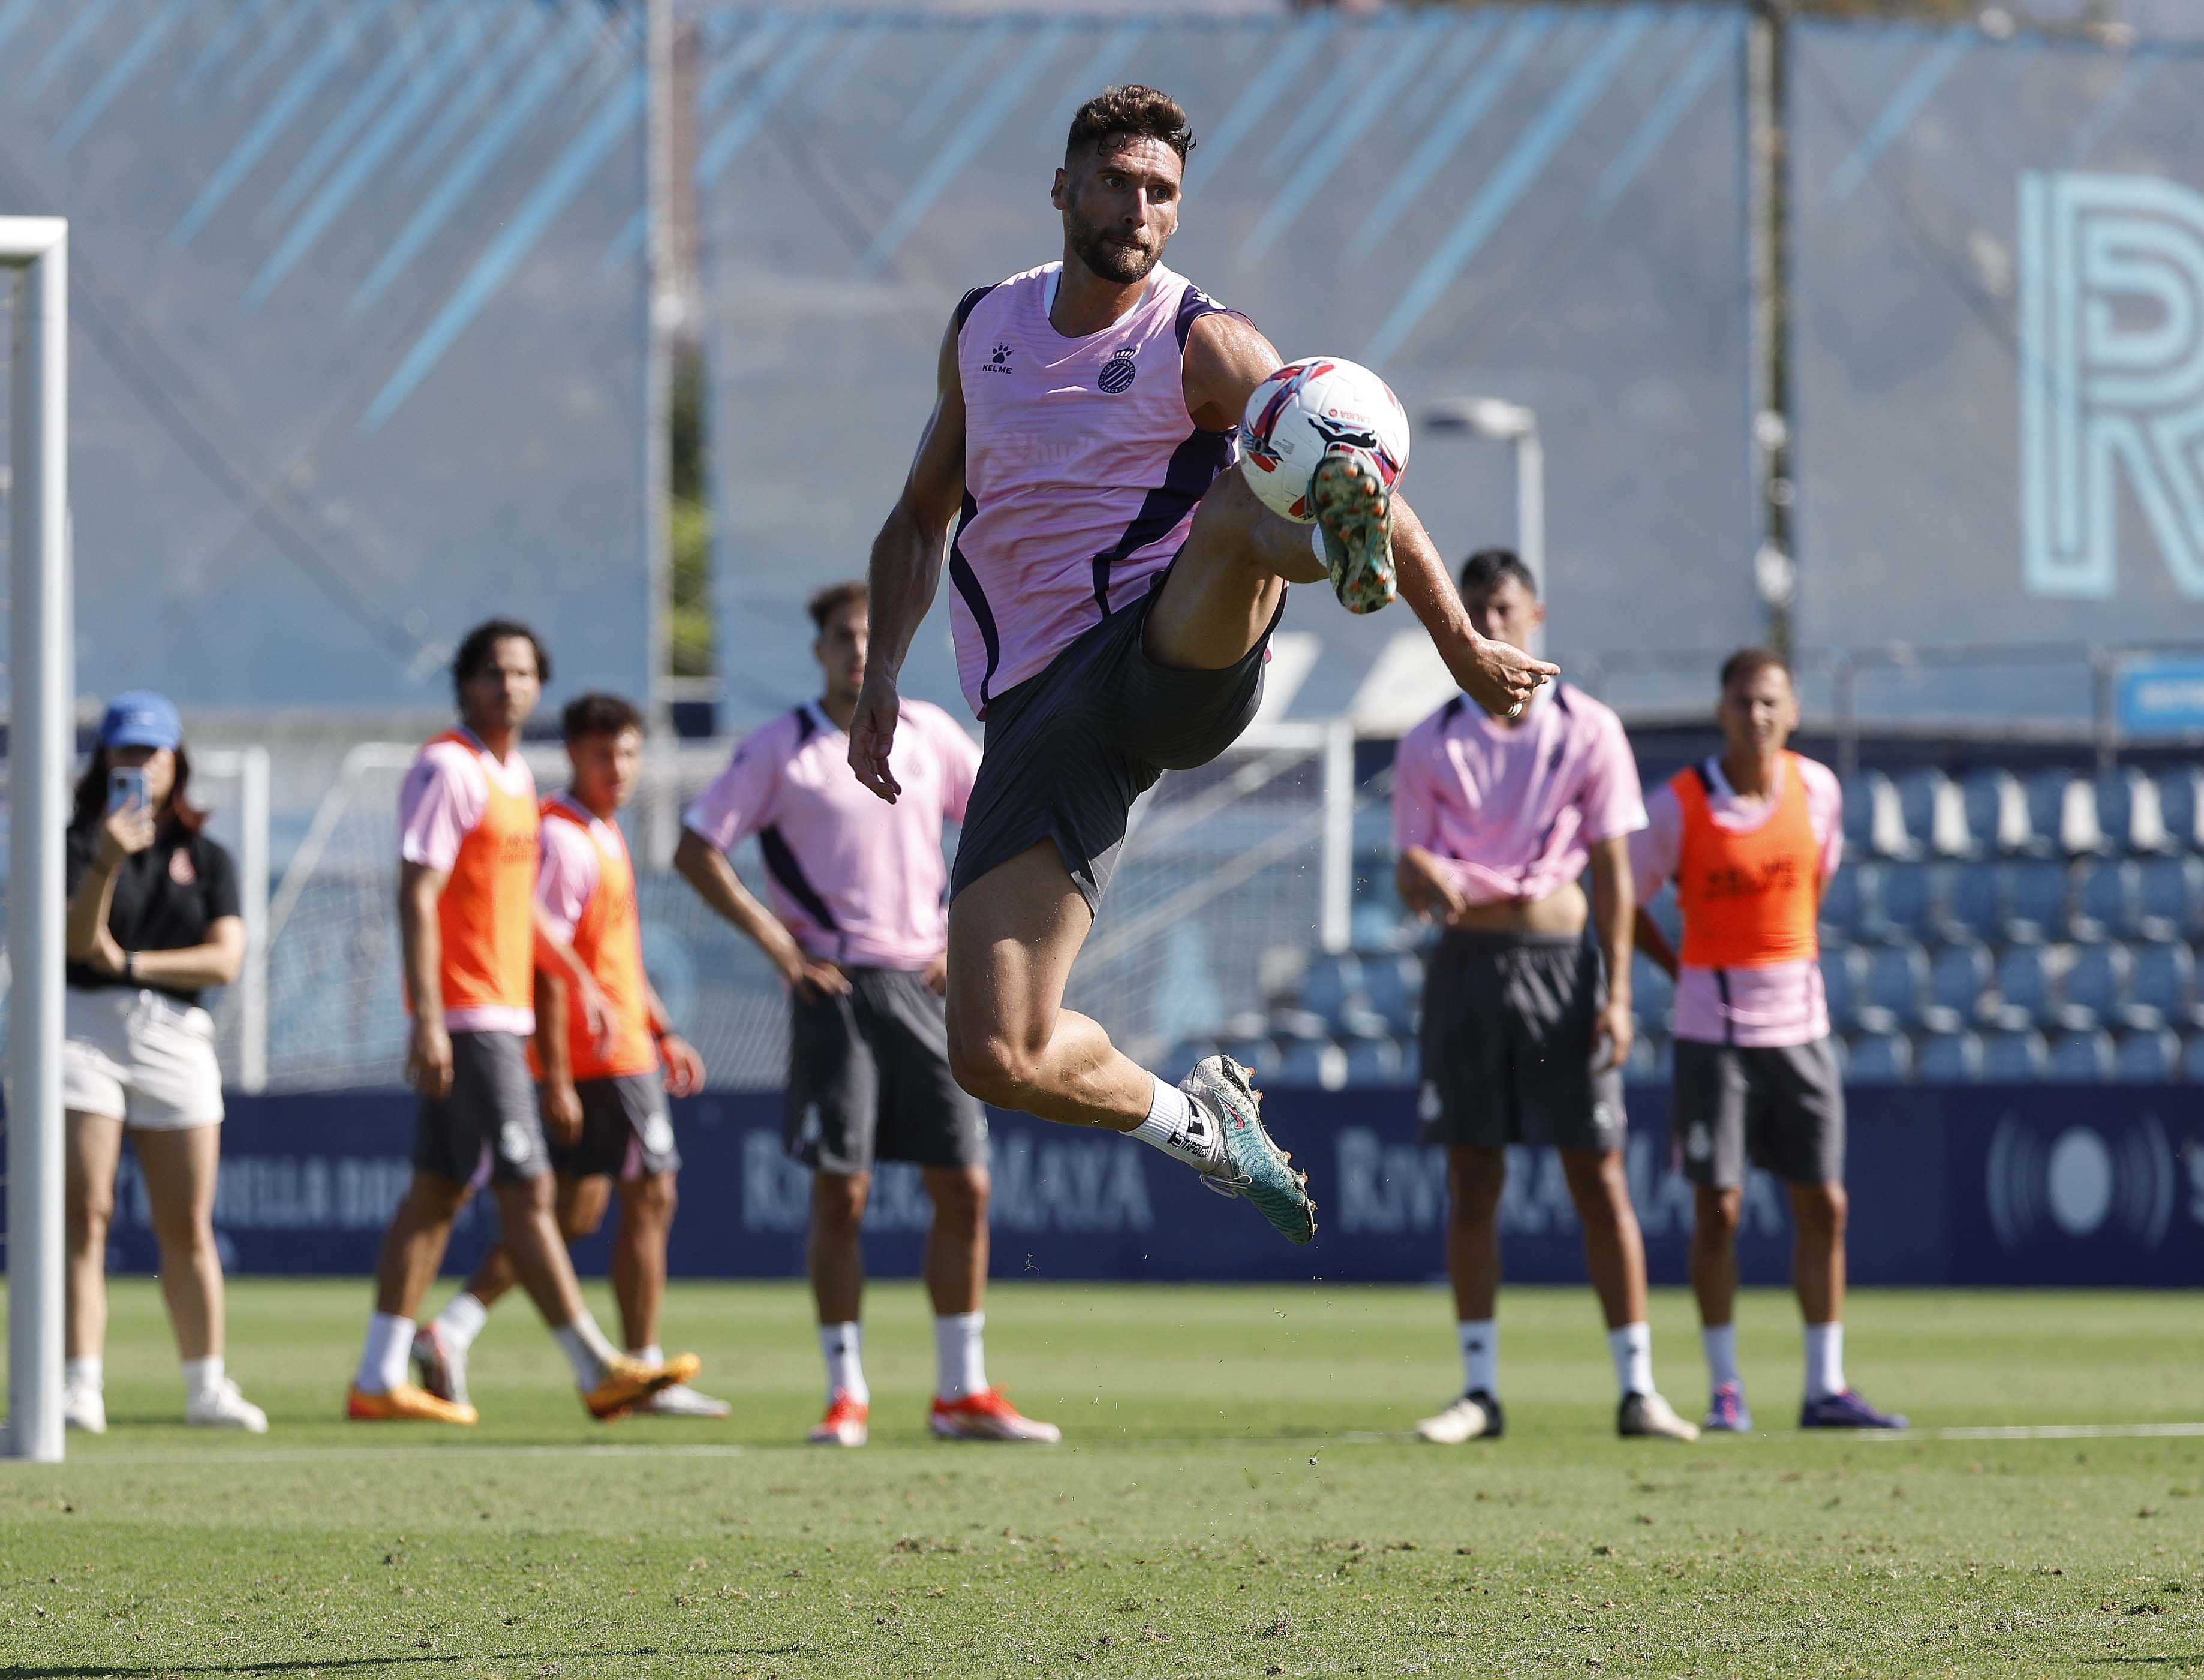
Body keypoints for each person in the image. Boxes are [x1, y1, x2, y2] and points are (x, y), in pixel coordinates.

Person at [849, 85, 1553, 1248]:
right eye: (1117, 182)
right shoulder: (984, 329)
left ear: (1179, 213)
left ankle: (1330, 545)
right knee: (997, 1051)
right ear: (1064, 187)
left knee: (1248, 499)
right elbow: (921, 518)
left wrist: (1463, 647)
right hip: (1038, 712)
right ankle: (1201, 1125)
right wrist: (881, 675)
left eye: (1161, 192)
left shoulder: (1205, 341)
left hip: (1167, 653)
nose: (1139, 208)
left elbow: (1365, 475)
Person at [678, 582, 1057, 1446]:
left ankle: (959, 1391)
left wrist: (961, 939)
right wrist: (782, 949)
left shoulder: (929, 735)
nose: (858, 649)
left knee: (963, 1183)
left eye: (871, 633)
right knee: (842, 1192)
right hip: (837, 991)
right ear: (818, 650)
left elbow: (1003, 823)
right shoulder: (784, 748)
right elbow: (696, 848)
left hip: (927, 989)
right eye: (844, 636)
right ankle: (845, 1392)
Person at [347, 621, 699, 1424]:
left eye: (522, 673)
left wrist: (580, 985)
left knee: (437, 1194)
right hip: (470, 1015)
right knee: (533, 1191)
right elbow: (417, 890)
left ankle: (378, 1375)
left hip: (499, 1012)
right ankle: (595, 1367)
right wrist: (427, 1018)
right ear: (465, 683)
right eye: (493, 672)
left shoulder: (512, 777)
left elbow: (523, 917)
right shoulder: (449, 767)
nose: (509, 686)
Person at [1393, 552, 1697, 1446]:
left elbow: (1614, 871)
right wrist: (1417, 877)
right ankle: (1478, 1391)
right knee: (1472, 1176)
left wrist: (1618, 993)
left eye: (1504, 608)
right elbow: (1410, 870)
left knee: (1597, 1173)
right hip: (1468, 966)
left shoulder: (1590, 729)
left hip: (1564, 967)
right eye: (1476, 610)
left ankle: (1638, 1389)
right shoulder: (1428, 740)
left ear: (1536, 615)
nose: (1491, 624)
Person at [411, 693, 729, 1419]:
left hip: (625, 1050)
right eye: (602, 754)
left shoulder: (603, 832)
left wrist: (661, 1029)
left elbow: (615, 957)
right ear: (575, 757)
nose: (618, 768)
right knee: (650, 1194)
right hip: (597, 1061)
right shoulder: (561, 837)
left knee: (573, 1218)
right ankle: (642, 1364)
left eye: (628, 754)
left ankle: (451, 1329)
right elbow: (547, 962)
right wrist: (555, 1076)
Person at [1631, 648, 1905, 1432]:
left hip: (1801, 1029)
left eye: (1770, 702)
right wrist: (1679, 966)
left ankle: (1825, 1386)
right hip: (1711, 1035)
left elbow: (1812, 885)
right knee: (1717, 1208)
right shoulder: (1678, 804)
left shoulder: (1817, 790)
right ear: (1721, 710)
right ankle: (1725, 1388)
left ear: (1792, 712)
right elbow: (1621, 894)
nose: (1756, 715)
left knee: (1823, 1203)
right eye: (1743, 701)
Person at [59, 691, 266, 1435]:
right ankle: (79, 1384)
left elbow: (225, 959)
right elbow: (74, 944)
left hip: (175, 1034)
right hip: (81, 1029)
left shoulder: (208, 857)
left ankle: (206, 1385)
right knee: (85, 1215)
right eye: (127, 751)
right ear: (104, 760)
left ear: (178, 762)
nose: (141, 765)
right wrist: (106, 863)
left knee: (187, 1224)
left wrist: (135, 963)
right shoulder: (74, 844)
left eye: (154, 752)